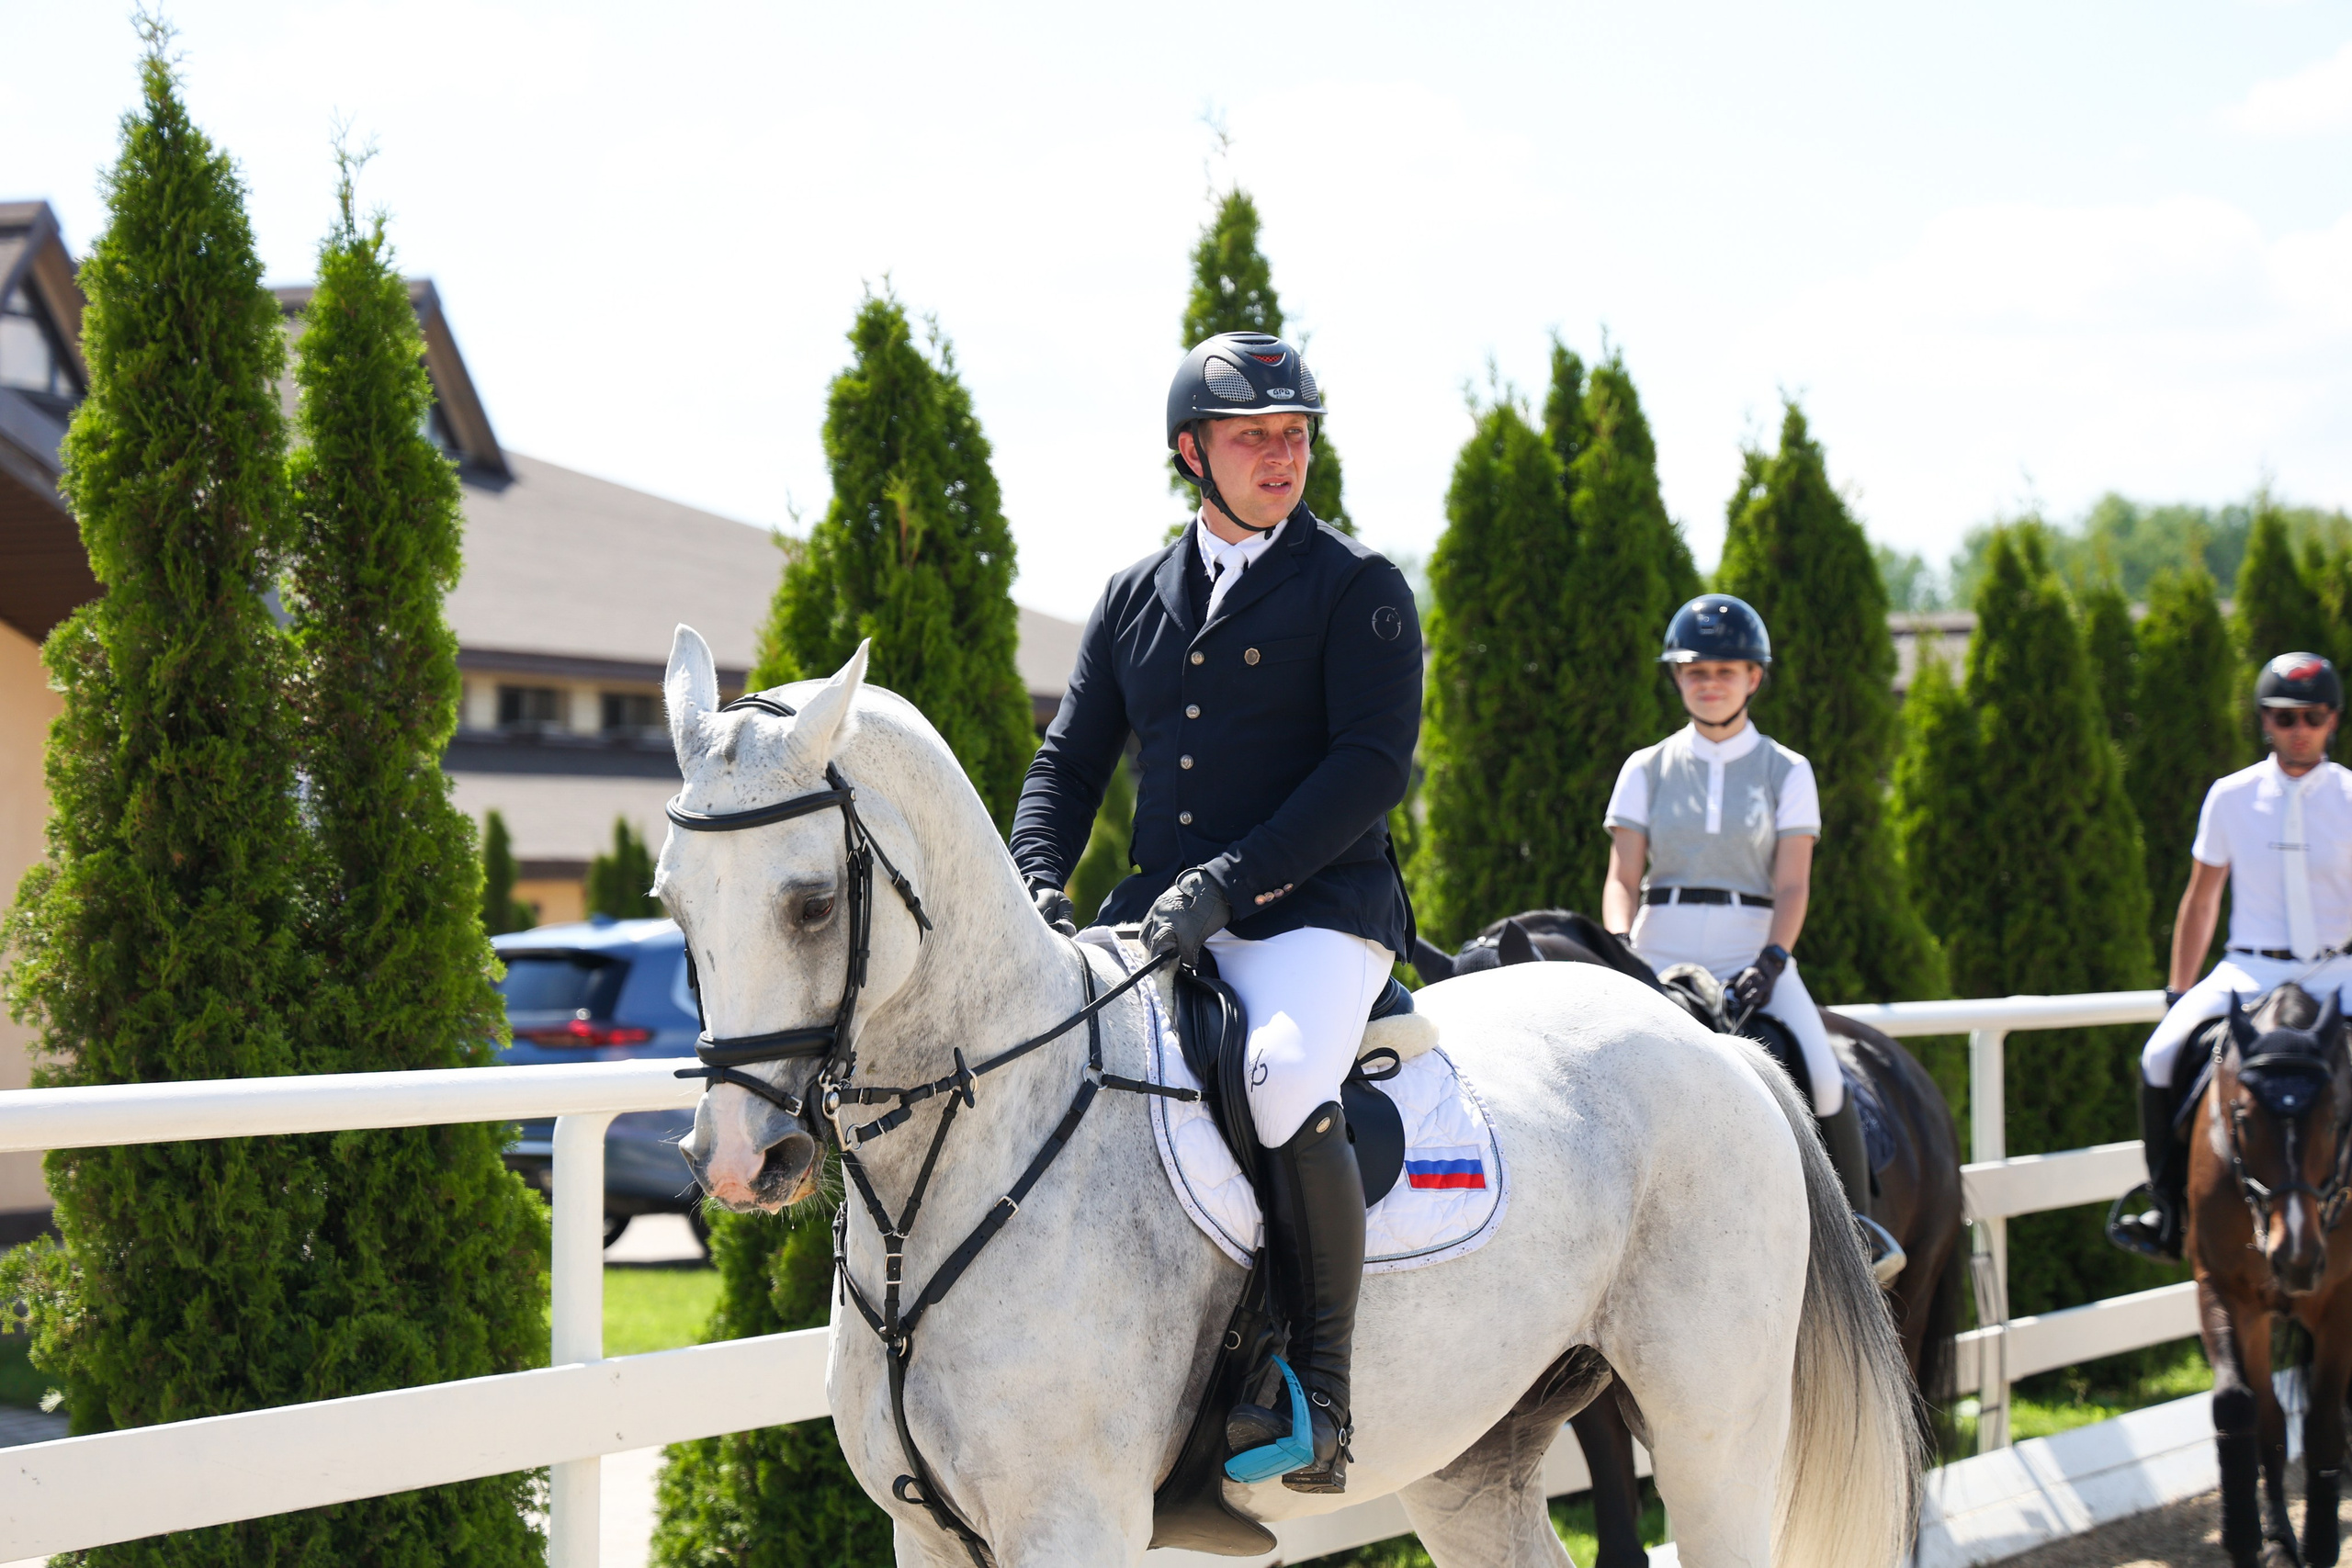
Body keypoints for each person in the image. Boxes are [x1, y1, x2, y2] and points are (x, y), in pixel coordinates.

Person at [1008, 331, 1422, 1493]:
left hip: (1317, 914)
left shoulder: (1354, 587)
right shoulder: (1133, 598)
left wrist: (1234, 883)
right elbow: (1066, 767)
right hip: (1157, 917)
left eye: (1296, 437)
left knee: (1282, 1076)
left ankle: (1321, 1394)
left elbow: (1368, 770)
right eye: (1254, 438)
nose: (1282, 457)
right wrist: (1038, 882)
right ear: (1191, 452)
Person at [1600, 594, 1904, 1281]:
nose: (1710, 682)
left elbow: (1793, 882)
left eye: (1726, 670)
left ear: (1754, 677)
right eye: (1695, 670)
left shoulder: (1787, 769)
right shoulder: (1643, 767)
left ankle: (1857, 1234)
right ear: (1677, 677)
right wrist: (1621, 945)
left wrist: (1773, 956)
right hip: (1657, 940)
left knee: (1825, 1077)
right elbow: (1623, 875)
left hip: (1752, 942)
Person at [2109, 652, 2352, 1261]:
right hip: (2253, 966)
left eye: (2312, 716)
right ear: (2265, 721)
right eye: (2284, 716)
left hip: (2340, 967)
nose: (2299, 728)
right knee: (2159, 1054)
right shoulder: (2231, 796)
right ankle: (2167, 1208)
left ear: (2333, 720)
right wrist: (2178, 990)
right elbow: (2201, 900)